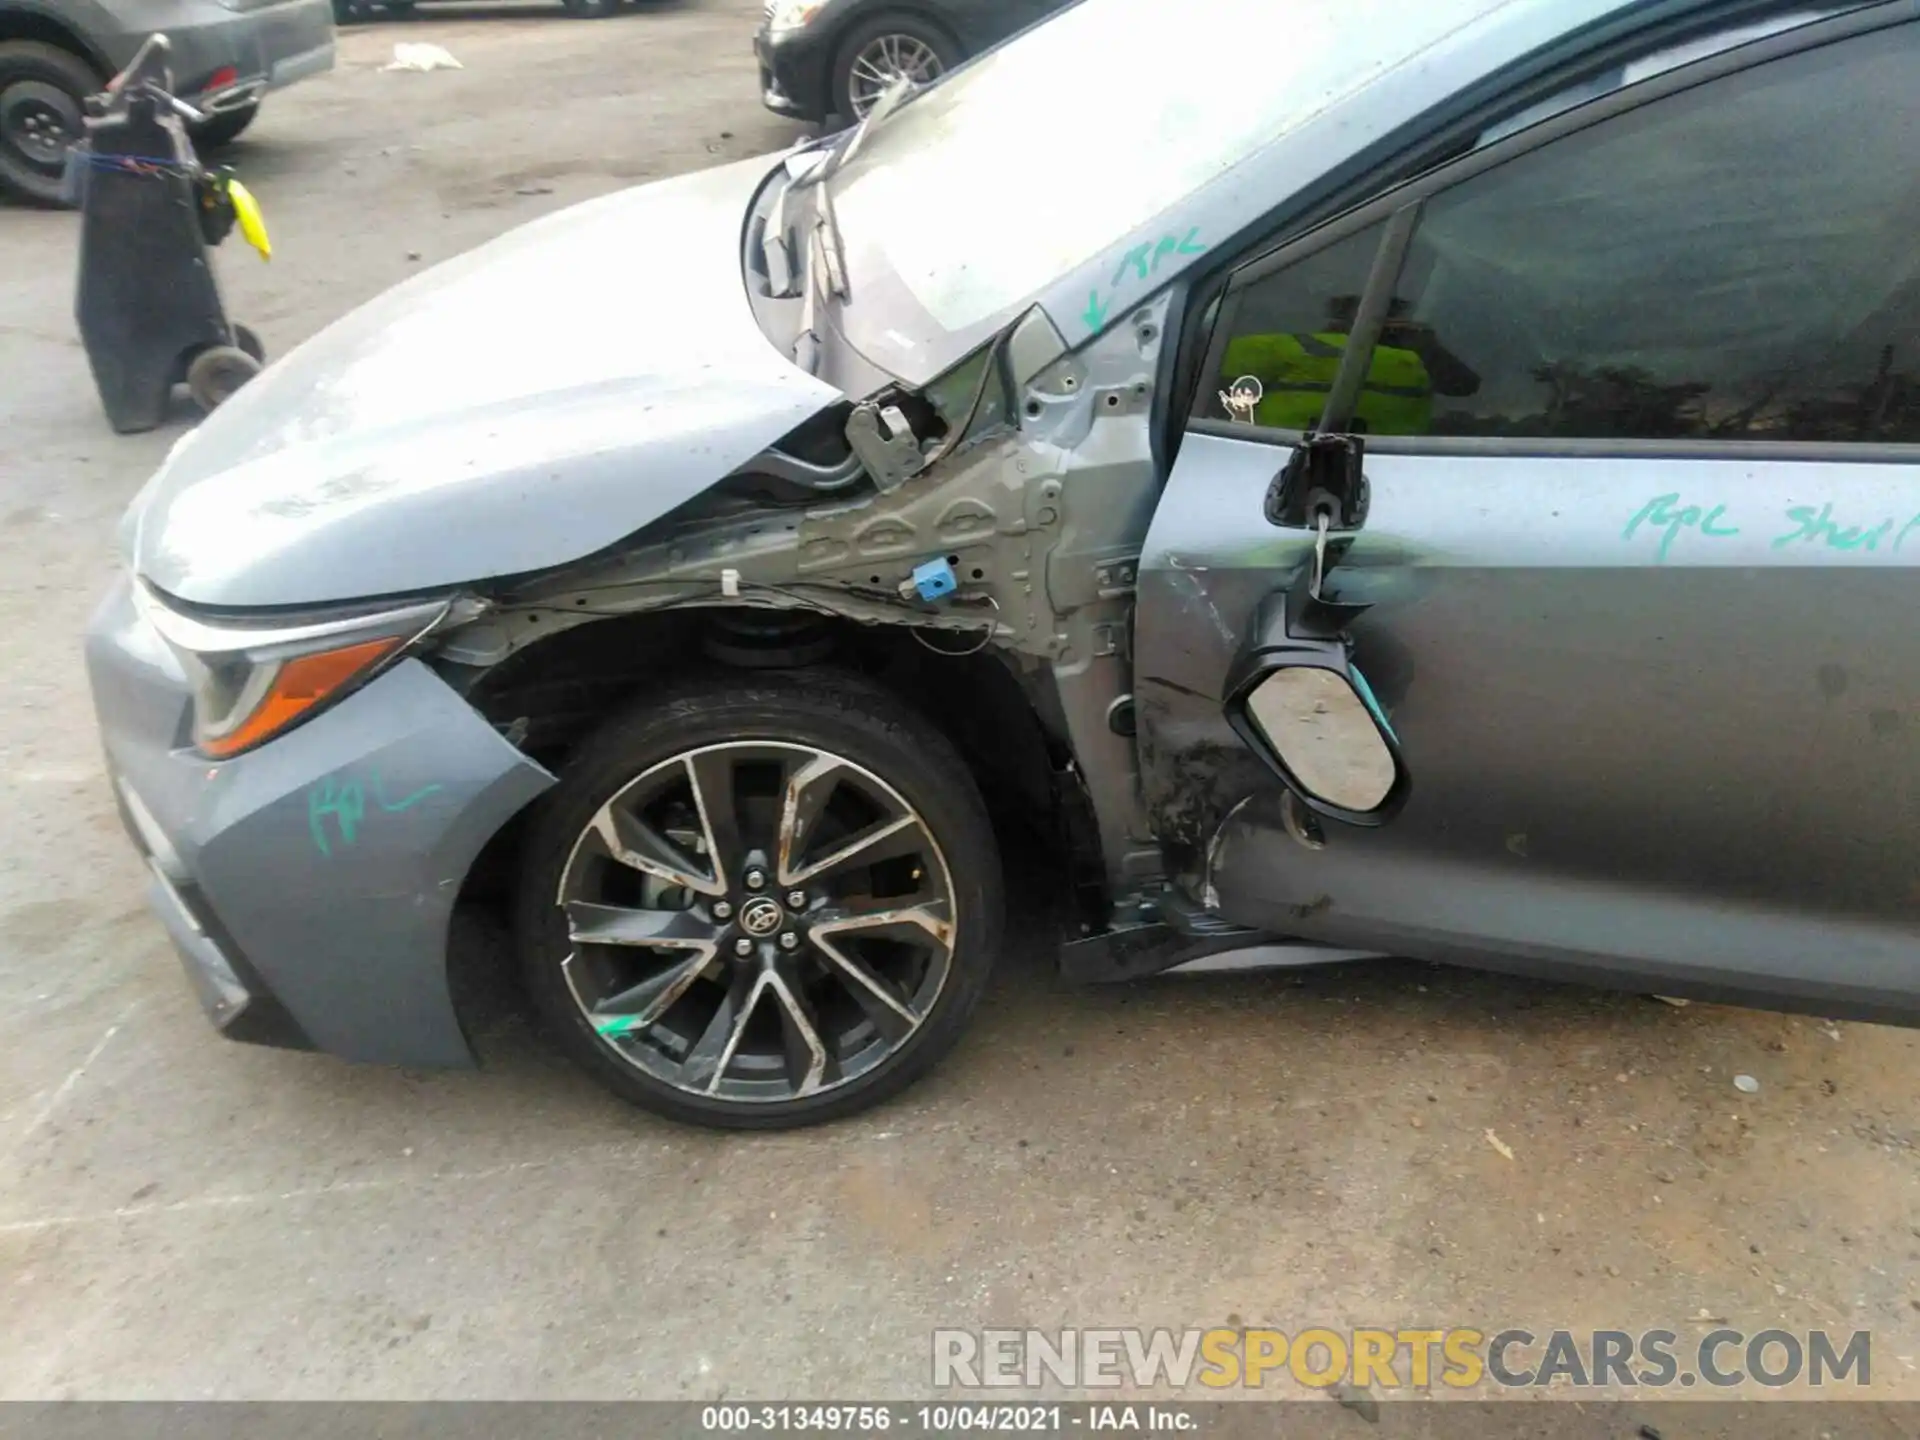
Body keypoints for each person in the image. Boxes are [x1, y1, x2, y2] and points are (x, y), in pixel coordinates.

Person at [1219, 294, 1480, 434]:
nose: (1378, 323)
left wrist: (1427, 347)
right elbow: (1209, 385)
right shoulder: (1284, 347)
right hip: (1284, 455)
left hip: (1400, 463)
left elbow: (1464, 388)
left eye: (1390, 317)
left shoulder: (1414, 352)